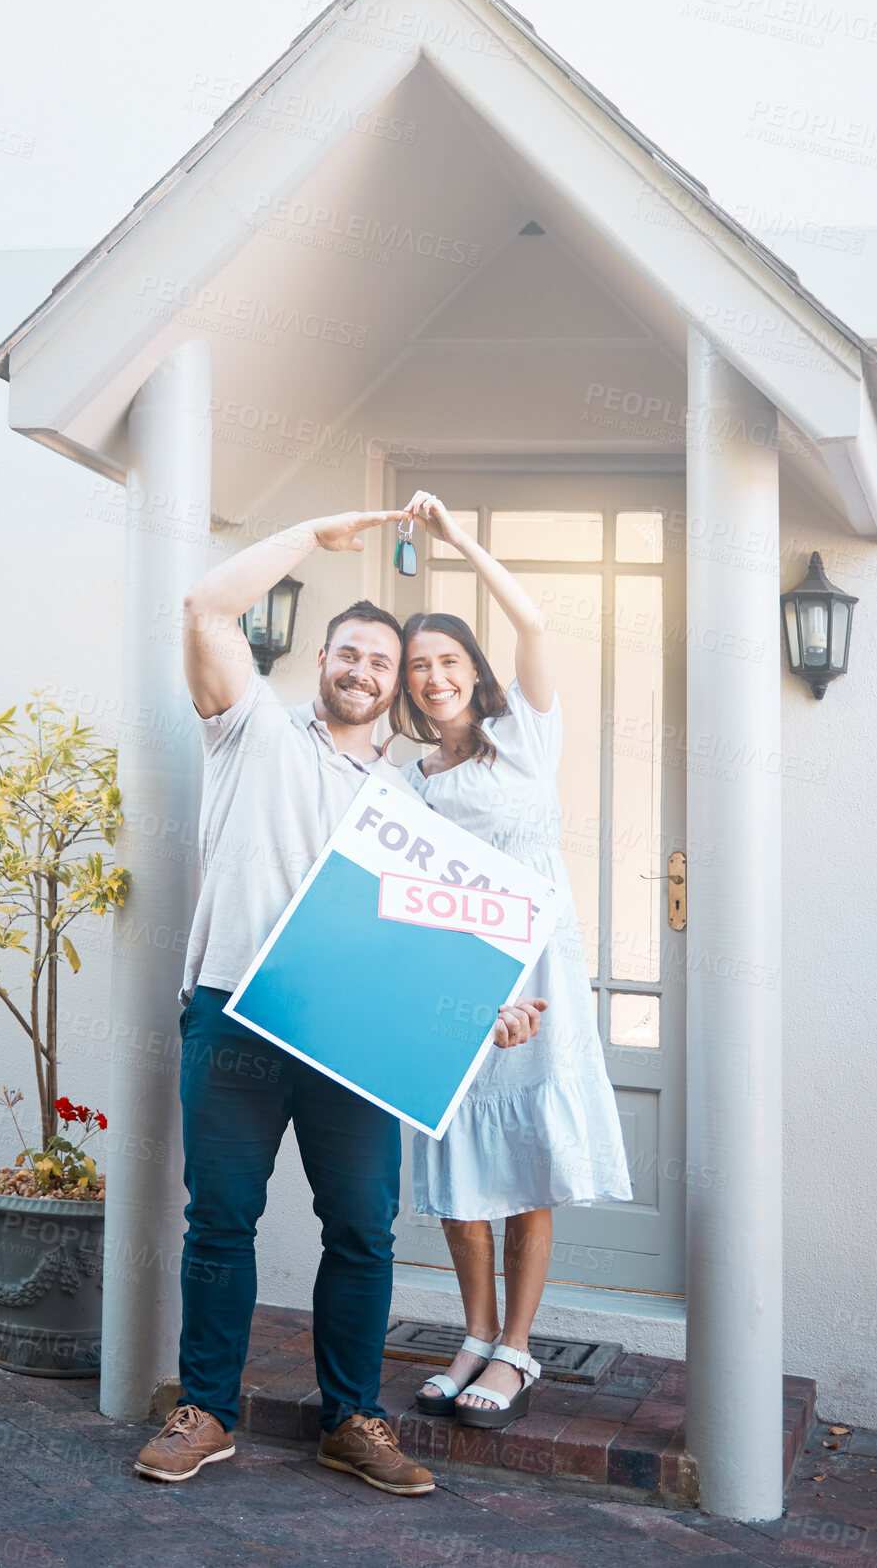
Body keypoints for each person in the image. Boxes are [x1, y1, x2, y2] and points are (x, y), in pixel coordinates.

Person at [133, 508, 546, 1494]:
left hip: (353, 1036)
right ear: (321, 659)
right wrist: (314, 532)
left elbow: (428, 941)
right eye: (349, 651)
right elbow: (203, 604)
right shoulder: (251, 729)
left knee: (362, 1228)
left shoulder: (411, 807)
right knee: (220, 1220)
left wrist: (483, 1005)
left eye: (381, 660)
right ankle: (205, 1411)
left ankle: (352, 1418)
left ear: (396, 686)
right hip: (236, 1010)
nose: (363, 669)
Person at [390, 490, 633, 1429]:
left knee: (527, 1158)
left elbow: (532, 620)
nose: (433, 675)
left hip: (539, 974)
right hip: (459, 983)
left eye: (447, 659)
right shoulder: (407, 782)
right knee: (459, 1164)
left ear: (472, 669)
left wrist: (459, 540)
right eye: (419, 667)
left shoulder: (528, 736)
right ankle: (473, 1334)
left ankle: (520, 1349)